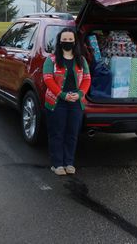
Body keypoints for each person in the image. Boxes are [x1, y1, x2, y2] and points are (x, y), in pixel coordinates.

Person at [43, 28, 91, 176]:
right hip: (57, 102)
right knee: (57, 133)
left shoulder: (81, 60)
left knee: (72, 133)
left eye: (71, 40)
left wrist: (80, 94)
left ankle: (69, 162)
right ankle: (57, 164)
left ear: (75, 42)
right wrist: (62, 95)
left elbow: (87, 78)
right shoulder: (51, 60)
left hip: (76, 103)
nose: (68, 42)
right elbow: (48, 79)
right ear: (59, 41)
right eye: (65, 39)